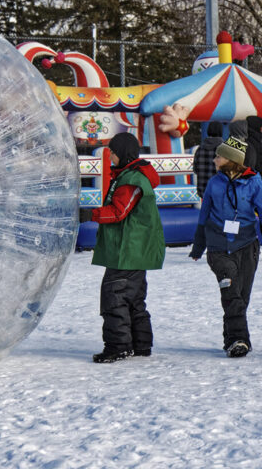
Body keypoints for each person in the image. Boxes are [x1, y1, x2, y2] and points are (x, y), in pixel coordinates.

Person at [190, 136, 262, 358]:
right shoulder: (214, 183)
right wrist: (198, 246)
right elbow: (204, 216)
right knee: (231, 293)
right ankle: (239, 340)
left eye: (218, 156)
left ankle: (231, 339)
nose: (214, 160)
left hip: (246, 246)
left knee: (241, 297)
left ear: (231, 160)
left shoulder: (254, 183)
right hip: (218, 247)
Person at [81, 132, 165, 363]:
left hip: (129, 251)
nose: (112, 158)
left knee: (114, 297)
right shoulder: (128, 175)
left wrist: (90, 214)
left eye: (114, 154)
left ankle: (118, 346)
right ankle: (140, 344)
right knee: (134, 298)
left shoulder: (133, 180)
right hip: (132, 250)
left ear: (124, 154)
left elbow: (119, 211)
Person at [193, 122, 224, 200]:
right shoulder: (224, 149)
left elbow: (195, 170)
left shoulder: (200, 149)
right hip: (220, 190)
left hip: (203, 190)